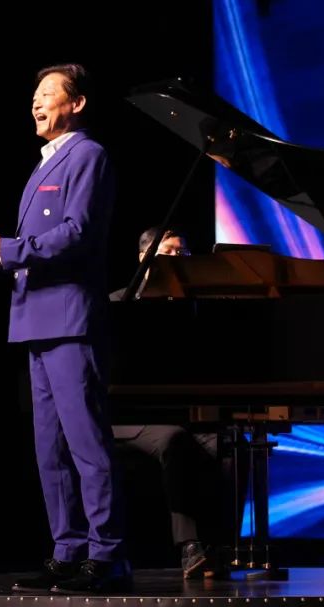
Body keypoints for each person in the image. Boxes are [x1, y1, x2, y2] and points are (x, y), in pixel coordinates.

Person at [0, 63, 129, 594]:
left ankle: (108, 555)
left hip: (69, 319)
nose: (36, 101)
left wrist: (6, 250)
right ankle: (67, 551)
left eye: (48, 93)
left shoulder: (87, 155)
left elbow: (77, 234)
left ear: (78, 103)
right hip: (34, 319)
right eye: (34, 94)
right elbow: (31, 248)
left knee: (86, 444)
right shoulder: (44, 163)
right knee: (49, 449)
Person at [109, 227, 218, 578]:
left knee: (228, 445)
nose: (175, 259)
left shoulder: (194, 309)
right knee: (175, 438)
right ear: (144, 258)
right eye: (166, 252)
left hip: (177, 412)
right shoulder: (117, 305)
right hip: (124, 416)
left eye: (180, 253)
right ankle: (190, 546)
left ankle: (222, 546)